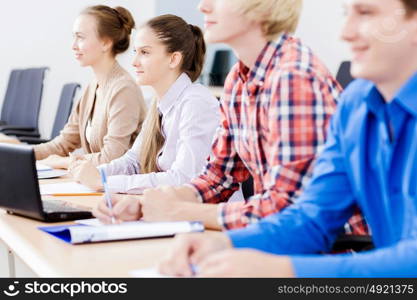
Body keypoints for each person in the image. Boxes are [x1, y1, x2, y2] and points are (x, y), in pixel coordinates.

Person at [158, 0, 417, 277]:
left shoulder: (296, 75)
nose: (345, 32)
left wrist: (284, 270)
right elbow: (312, 217)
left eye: (366, 13)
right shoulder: (356, 104)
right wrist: (223, 243)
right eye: (346, 13)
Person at [93, 0, 366, 238]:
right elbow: (218, 177)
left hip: (334, 254)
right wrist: (150, 205)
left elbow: (286, 210)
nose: (202, 6)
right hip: (279, 239)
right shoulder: (238, 78)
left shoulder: (293, 77)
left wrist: (183, 211)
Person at [70, 14, 220, 196]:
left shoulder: (196, 103)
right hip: (173, 208)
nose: (134, 62)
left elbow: (183, 179)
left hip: (208, 216)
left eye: (145, 52)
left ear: (173, 59)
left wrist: (104, 182)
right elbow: (134, 161)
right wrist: (95, 173)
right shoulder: (159, 103)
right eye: (135, 52)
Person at [35, 5, 146, 169]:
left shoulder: (124, 90)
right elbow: (63, 144)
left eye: (80, 37)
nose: (73, 45)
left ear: (105, 43)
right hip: (95, 184)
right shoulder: (92, 88)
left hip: (118, 188)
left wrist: (64, 162)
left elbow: (112, 158)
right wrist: (20, 155)